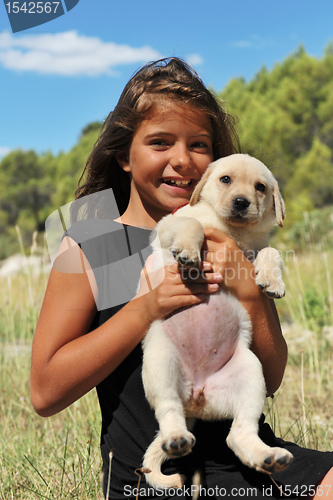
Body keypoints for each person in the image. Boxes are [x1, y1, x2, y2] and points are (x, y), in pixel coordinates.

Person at [30, 58, 333, 499]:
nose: (182, 160)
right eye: (159, 142)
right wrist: (147, 307)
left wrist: (247, 285)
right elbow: (44, 392)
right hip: (151, 477)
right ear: (123, 155)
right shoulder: (94, 244)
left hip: (251, 462)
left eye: (199, 145)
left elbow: (271, 376)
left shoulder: (236, 240)